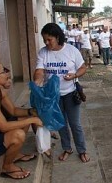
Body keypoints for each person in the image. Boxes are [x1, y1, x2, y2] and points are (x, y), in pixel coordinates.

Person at [33, 23, 90, 163]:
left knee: (75, 124)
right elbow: (39, 70)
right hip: (53, 96)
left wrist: (75, 75)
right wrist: (37, 82)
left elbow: (83, 68)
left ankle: (82, 150)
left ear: (57, 37)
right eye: (44, 40)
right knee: (61, 124)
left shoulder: (71, 50)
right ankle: (67, 148)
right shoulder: (43, 53)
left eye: (49, 39)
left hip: (70, 93)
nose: (46, 43)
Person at [0, 61, 42, 179]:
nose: (7, 73)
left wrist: (31, 112)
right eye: (3, 71)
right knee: (18, 134)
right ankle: (7, 166)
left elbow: (13, 111)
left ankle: (14, 155)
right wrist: (32, 120)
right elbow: (4, 126)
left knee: (24, 117)